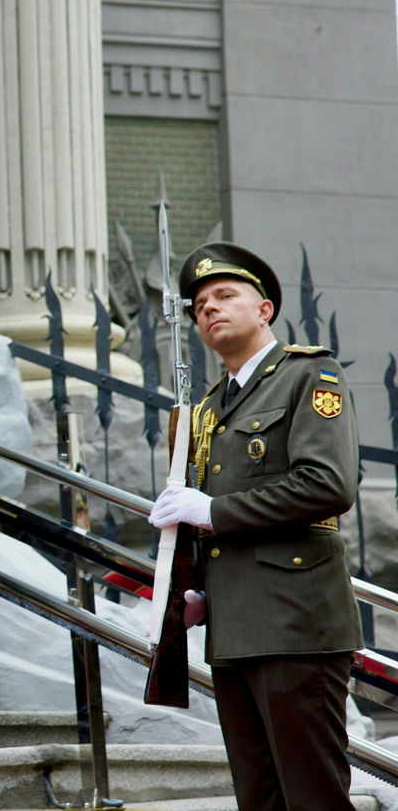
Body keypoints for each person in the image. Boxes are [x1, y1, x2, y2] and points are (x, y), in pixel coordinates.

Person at [149, 241, 361, 811]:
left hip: (295, 621)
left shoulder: (308, 374)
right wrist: (196, 588)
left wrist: (211, 512)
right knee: (259, 798)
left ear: (263, 309)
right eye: (199, 306)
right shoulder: (209, 407)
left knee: (311, 795)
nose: (209, 309)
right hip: (235, 626)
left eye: (224, 296)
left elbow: (327, 485)